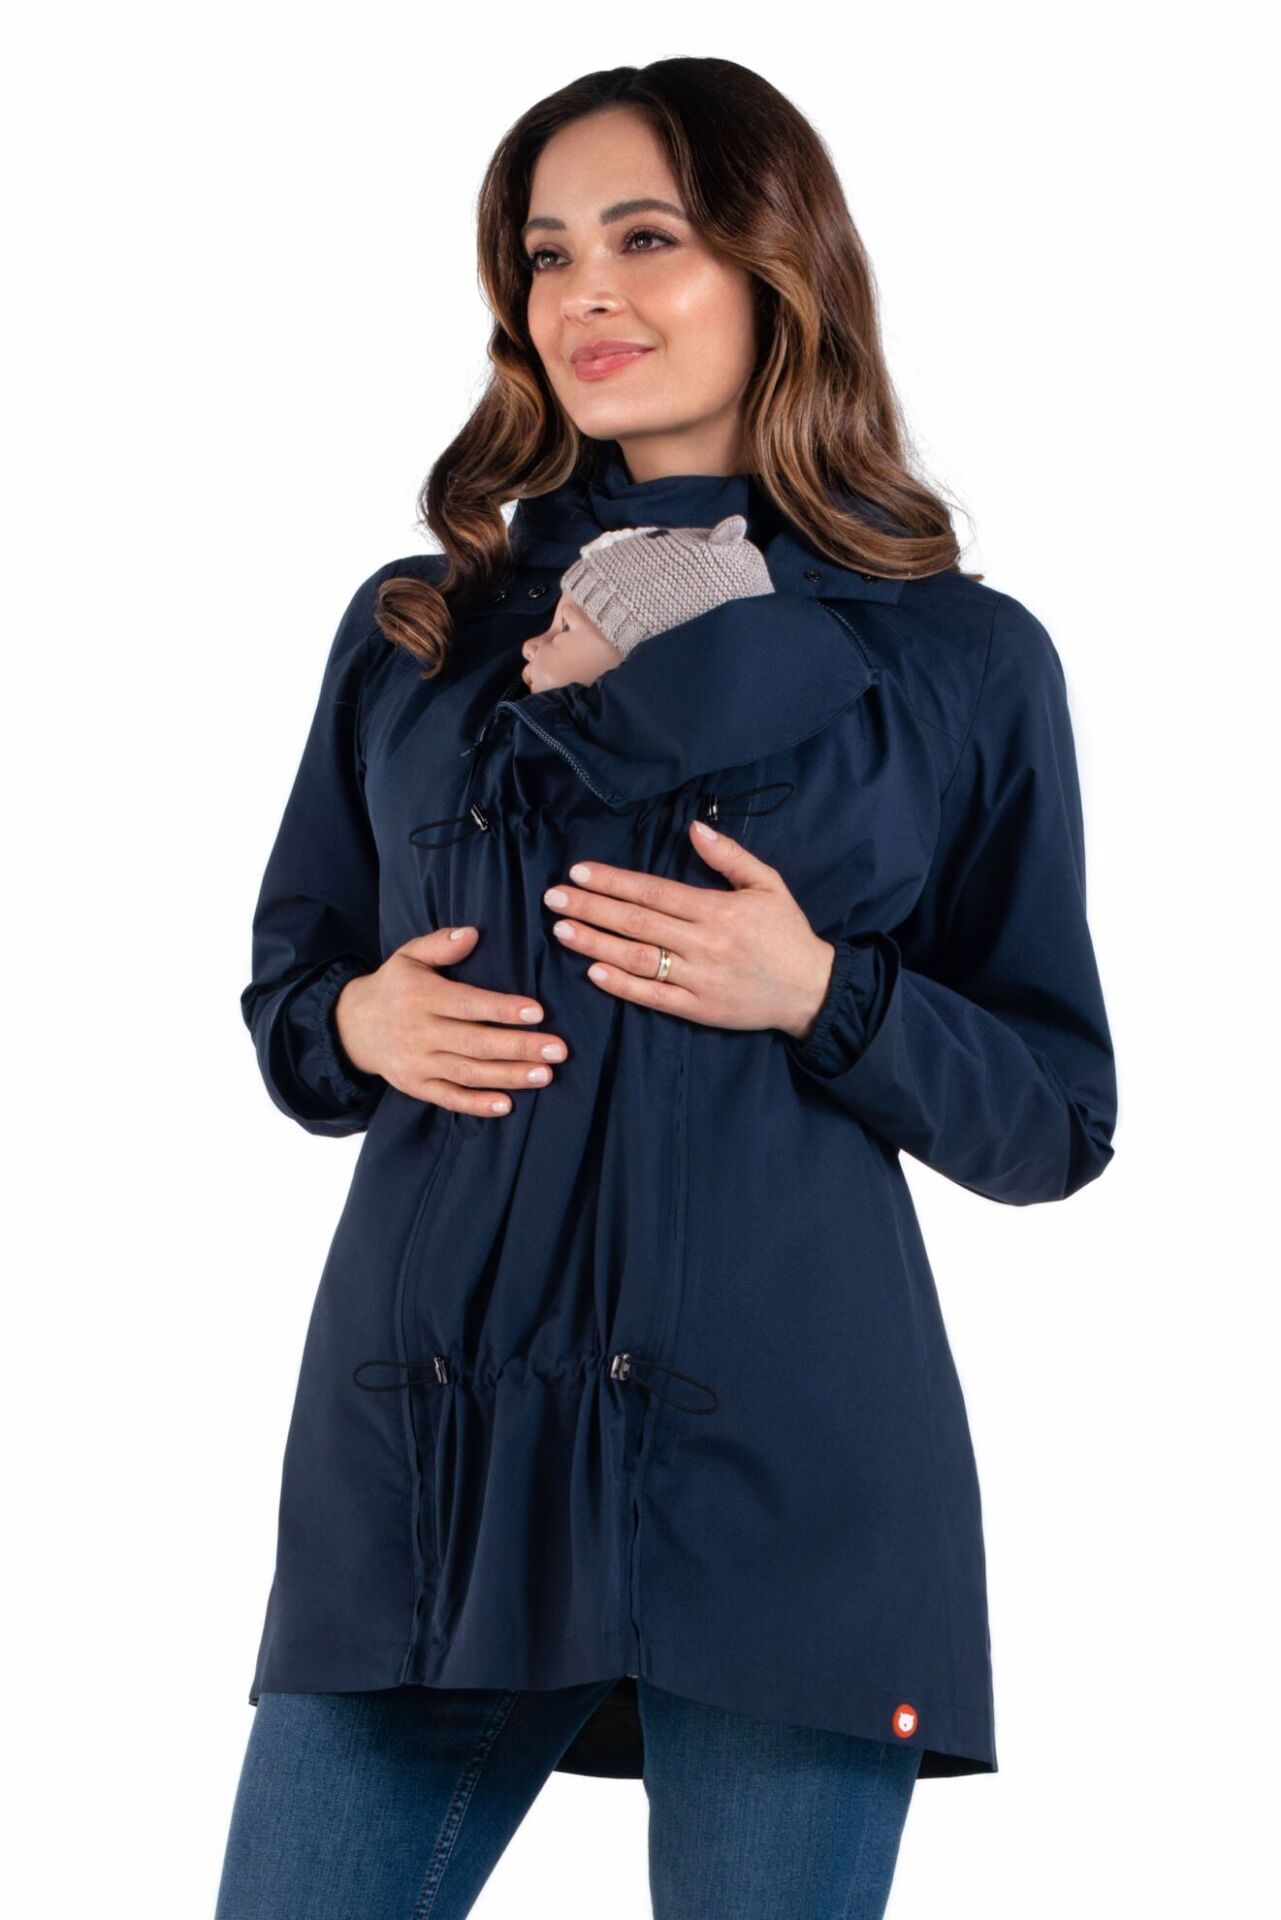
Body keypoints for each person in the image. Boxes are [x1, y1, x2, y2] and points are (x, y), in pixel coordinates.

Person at [214, 57, 1118, 1920]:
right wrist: (355, 1024)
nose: (587, 295)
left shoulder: (951, 660)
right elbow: (294, 992)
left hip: (776, 1467)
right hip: (433, 1455)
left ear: (777, 267)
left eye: (647, 238)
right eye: (547, 255)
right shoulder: (421, 632)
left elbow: (1053, 1117)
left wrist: (824, 991)